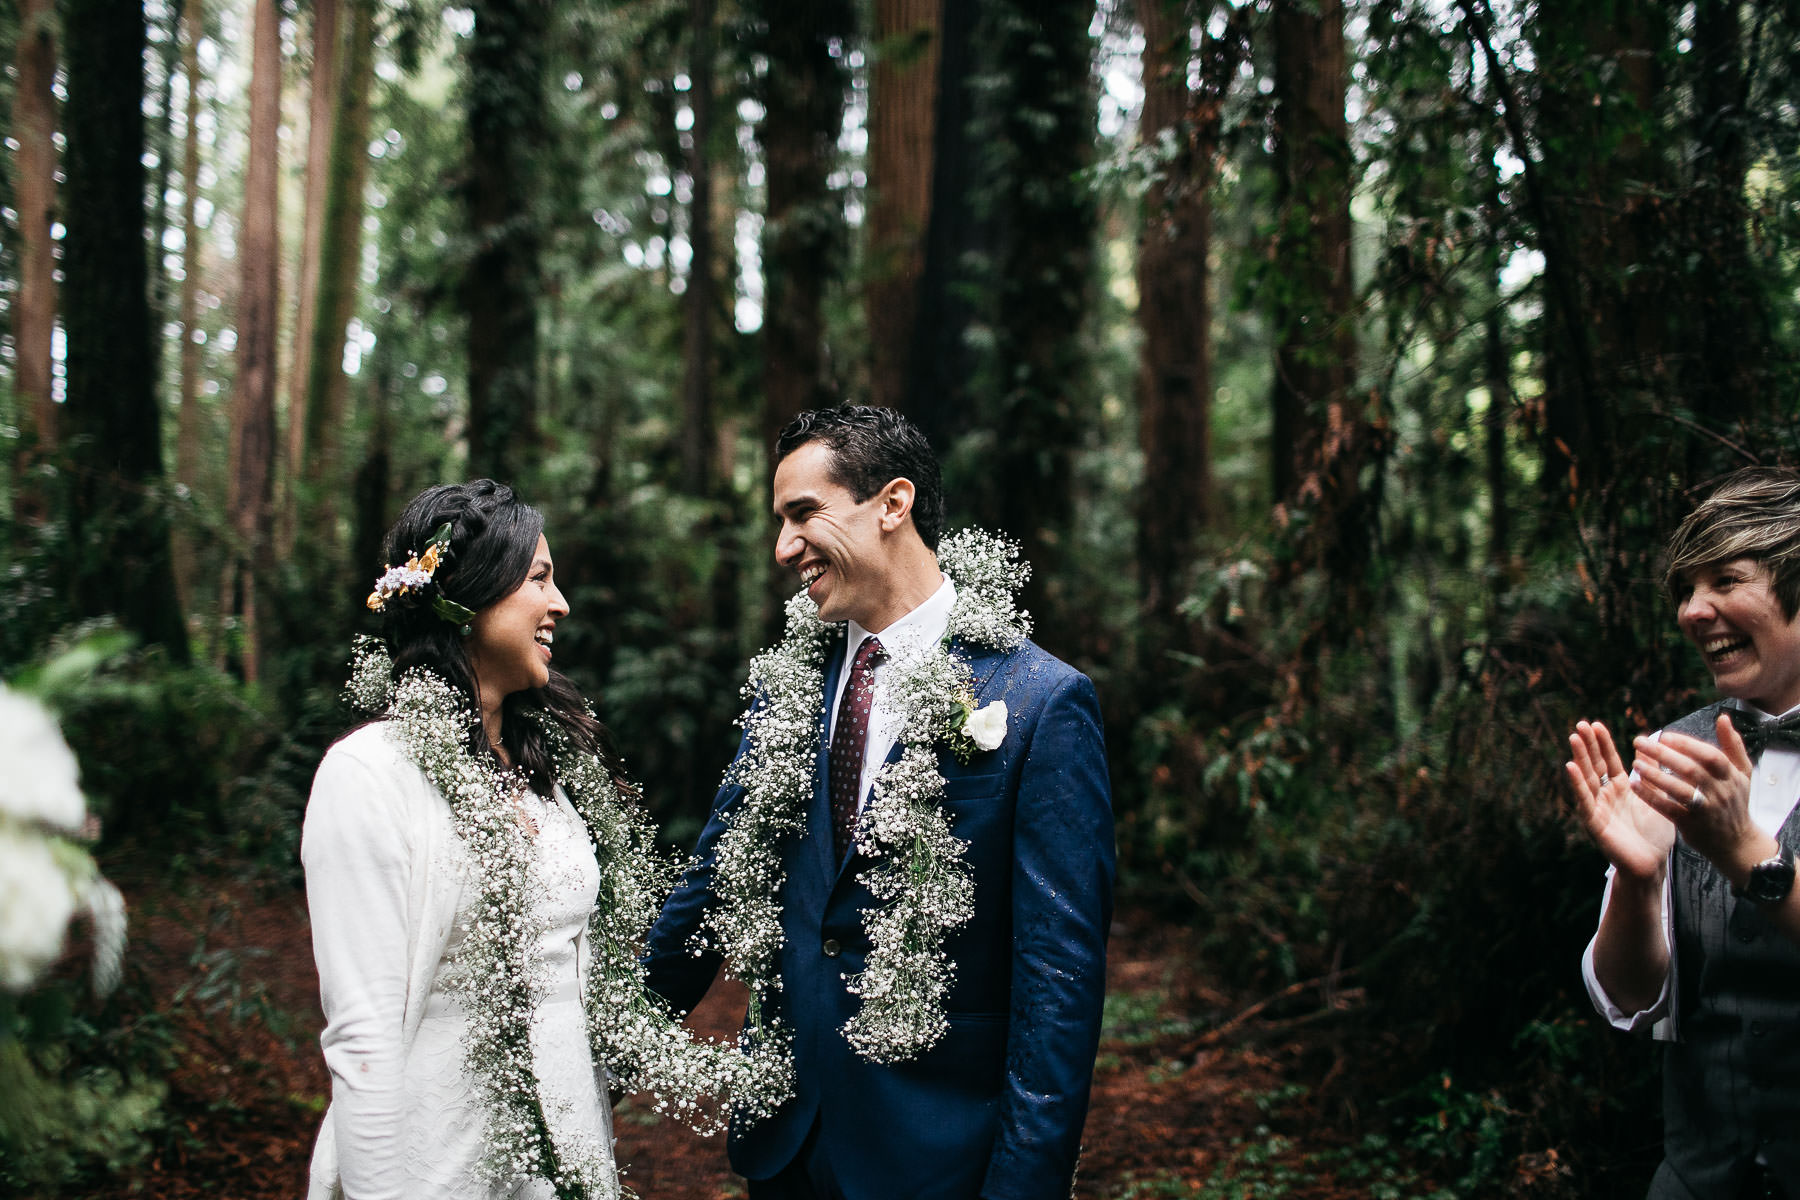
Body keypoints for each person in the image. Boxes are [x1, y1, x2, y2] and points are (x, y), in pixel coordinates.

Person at [645, 406, 1116, 1200]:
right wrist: (598, 1042)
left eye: (803, 514)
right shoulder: (785, 689)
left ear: (892, 504)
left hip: (937, 1156)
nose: (783, 547)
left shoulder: (1041, 703)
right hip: (787, 1147)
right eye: (780, 520)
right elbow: (714, 885)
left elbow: (1057, 987)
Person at [303, 480, 627, 1200]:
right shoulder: (369, 776)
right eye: (539, 578)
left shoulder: (544, 774)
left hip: (566, 1154)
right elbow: (364, 1042)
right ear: (469, 595)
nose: (560, 604)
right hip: (436, 1160)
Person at [1567, 467, 1800, 1200]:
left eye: (1726, 579)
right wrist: (1637, 883)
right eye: (1685, 591)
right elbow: (1633, 1002)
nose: (1694, 612)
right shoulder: (1674, 754)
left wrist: (1749, 858)